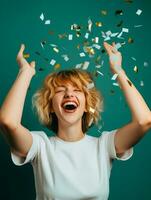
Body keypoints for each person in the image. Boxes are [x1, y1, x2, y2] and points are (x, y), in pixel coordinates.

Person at [0, 42, 151, 200]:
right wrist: (25, 73)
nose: (69, 95)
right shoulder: (40, 146)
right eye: (60, 91)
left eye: (77, 90)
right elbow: (8, 122)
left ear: (87, 105)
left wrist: (118, 70)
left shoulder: (104, 145)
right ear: (51, 106)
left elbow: (144, 120)